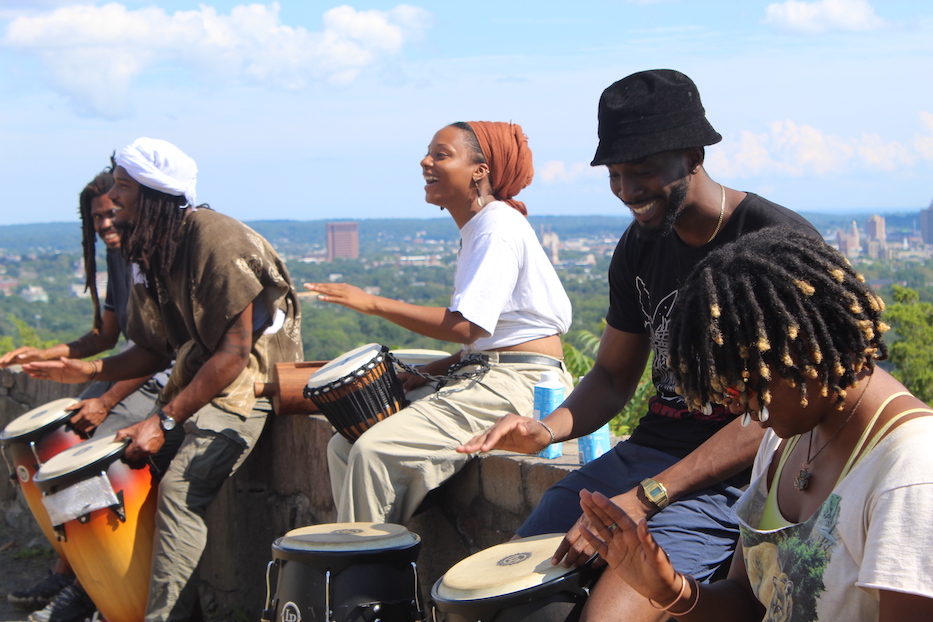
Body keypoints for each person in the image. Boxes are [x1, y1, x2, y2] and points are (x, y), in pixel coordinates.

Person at [458, 69, 819, 621]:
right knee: (504, 595)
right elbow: (611, 375)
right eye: (616, 174)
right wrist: (546, 428)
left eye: (644, 171)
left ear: (693, 154)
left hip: (732, 480)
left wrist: (653, 495)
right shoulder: (639, 246)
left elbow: (777, 414)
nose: (628, 191)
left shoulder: (773, 243)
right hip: (643, 459)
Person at [577, 228, 933, 621]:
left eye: (743, 385)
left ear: (801, 348)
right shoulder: (786, 440)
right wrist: (669, 589)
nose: (737, 406)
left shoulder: (912, 472)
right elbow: (749, 605)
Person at [22, 137, 303, 622]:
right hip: (201, 373)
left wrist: (162, 420)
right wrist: (89, 370)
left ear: (153, 192)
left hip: (251, 381)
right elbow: (156, 348)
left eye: (123, 185)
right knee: (119, 472)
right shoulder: (154, 247)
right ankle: (109, 599)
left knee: (180, 490)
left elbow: (234, 355)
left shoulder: (217, 238)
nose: (113, 196)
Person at [305, 121, 573, 525]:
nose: (425, 162)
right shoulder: (480, 229)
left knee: (372, 451)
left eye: (441, 154)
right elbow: (489, 341)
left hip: (520, 385)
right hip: (492, 375)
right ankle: (361, 555)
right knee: (346, 444)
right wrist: (433, 370)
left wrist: (372, 303)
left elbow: (467, 327)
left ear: (480, 170)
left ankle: (363, 577)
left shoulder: (497, 228)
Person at [1, 170, 165, 622]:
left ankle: (87, 588)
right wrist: (46, 353)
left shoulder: (150, 254)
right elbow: (104, 335)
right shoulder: (117, 257)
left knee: (85, 457)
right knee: (50, 443)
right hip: (128, 371)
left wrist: (106, 400)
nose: (105, 224)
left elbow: (162, 351)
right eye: (96, 217)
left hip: (160, 379)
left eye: (112, 213)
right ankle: (71, 568)